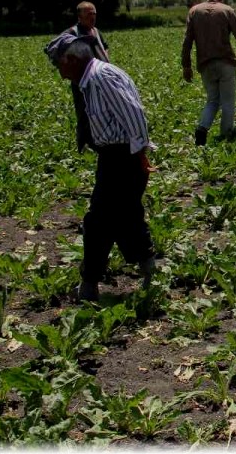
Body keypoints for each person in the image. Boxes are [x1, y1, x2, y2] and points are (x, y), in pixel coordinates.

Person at [44, 33, 157, 303]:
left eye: (59, 65)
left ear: (72, 59)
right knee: (127, 215)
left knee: (99, 222)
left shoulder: (101, 78)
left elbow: (134, 116)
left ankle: (89, 283)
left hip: (123, 157)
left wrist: (140, 154)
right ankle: (149, 267)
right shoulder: (91, 79)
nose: (60, 73)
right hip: (114, 156)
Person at [182, 0, 236, 145]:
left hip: (205, 64)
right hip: (226, 62)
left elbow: (187, 41)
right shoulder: (227, 10)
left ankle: (202, 128)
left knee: (212, 100)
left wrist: (186, 66)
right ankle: (226, 136)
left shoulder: (194, 11)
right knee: (228, 102)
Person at [64, 1, 110, 152]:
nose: (92, 17)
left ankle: (97, 143)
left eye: (94, 14)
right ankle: (83, 146)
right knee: (84, 113)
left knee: (99, 112)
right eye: (88, 14)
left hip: (100, 80)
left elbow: (105, 48)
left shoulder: (95, 31)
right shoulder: (72, 33)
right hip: (81, 82)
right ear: (79, 16)